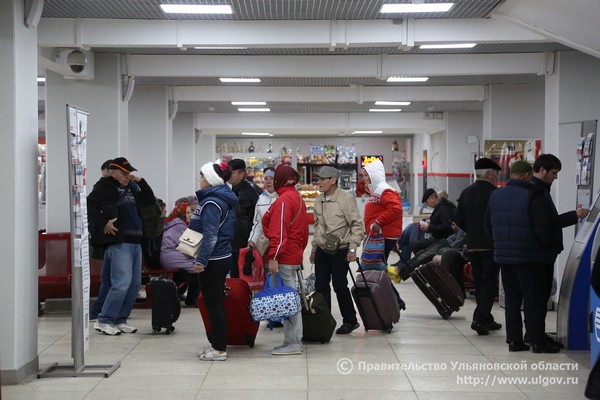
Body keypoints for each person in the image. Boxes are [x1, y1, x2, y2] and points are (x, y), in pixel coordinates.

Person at [486, 160, 559, 353]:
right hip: (530, 258)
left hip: (504, 258)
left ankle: (514, 340)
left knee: (512, 300)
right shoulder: (533, 195)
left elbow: (487, 226)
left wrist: (501, 244)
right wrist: (546, 248)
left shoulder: (496, 195)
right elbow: (543, 229)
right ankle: (536, 341)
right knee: (533, 300)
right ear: (527, 175)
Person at [87, 157, 156, 335]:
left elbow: (149, 200)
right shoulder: (104, 187)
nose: (128, 176)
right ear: (114, 172)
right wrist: (103, 223)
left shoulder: (132, 187)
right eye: (125, 173)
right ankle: (104, 319)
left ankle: (121, 319)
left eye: (129, 173)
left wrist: (140, 181)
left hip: (136, 242)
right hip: (120, 242)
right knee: (121, 283)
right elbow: (89, 205)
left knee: (134, 285)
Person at [530, 153, 589, 347]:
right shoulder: (537, 192)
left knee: (541, 295)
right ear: (542, 170)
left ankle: (536, 334)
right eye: (554, 173)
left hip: (544, 252)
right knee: (539, 296)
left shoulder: (541, 190)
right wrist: (574, 215)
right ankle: (536, 337)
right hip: (541, 253)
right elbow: (548, 223)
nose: (555, 177)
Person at [309, 166, 364, 335]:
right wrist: (313, 248)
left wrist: (353, 248)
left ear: (333, 180)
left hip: (341, 250)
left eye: (323, 179)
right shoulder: (318, 201)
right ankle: (325, 320)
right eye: (318, 179)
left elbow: (357, 225)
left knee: (340, 285)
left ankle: (350, 320)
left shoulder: (346, 199)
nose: (319, 182)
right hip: (322, 250)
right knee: (321, 286)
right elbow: (317, 227)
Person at [192, 162, 237, 361]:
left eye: (202, 176)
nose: (199, 180)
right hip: (222, 255)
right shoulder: (220, 199)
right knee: (215, 303)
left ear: (209, 180)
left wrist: (201, 259)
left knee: (213, 304)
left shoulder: (212, 203)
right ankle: (218, 344)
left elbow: (210, 235)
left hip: (213, 258)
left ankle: (219, 349)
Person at [262, 165, 309, 355]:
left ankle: (293, 343)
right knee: (290, 298)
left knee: (286, 299)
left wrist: (273, 256)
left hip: (283, 257)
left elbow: (279, 233)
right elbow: (304, 233)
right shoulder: (296, 198)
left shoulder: (283, 200)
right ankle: (292, 340)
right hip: (293, 254)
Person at [454, 157, 503, 336]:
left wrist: (472, 231)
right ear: (489, 173)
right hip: (491, 244)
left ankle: (487, 318)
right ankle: (480, 318)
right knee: (490, 282)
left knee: (481, 281)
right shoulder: (496, 193)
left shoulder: (466, 192)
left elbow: (458, 218)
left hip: (473, 245)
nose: (496, 177)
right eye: (496, 174)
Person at [362, 159, 405, 310]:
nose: (364, 178)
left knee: (378, 270)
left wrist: (378, 222)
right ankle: (394, 300)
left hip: (383, 237)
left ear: (374, 175)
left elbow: (395, 209)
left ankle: (395, 301)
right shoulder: (377, 190)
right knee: (379, 269)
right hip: (380, 237)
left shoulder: (384, 190)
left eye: (367, 175)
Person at [159, 201, 200, 307]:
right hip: (173, 257)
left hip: (169, 257)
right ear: (181, 214)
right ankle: (193, 299)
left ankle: (185, 295)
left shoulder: (174, 223)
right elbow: (189, 247)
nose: (190, 215)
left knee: (193, 269)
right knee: (199, 268)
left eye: (190, 212)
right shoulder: (179, 226)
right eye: (187, 213)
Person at [228, 159, 262, 278]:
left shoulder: (249, 191)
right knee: (237, 280)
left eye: (232, 172)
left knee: (244, 280)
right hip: (235, 243)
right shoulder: (234, 190)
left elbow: (260, 216)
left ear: (242, 174)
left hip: (246, 244)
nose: (228, 175)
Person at [90, 158, 115, 320]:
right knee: (109, 279)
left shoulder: (107, 187)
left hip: (105, 240)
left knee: (108, 278)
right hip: (107, 239)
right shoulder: (103, 186)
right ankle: (99, 311)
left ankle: (98, 310)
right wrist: (104, 223)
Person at [412, 188, 456, 254]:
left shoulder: (444, 208)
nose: (427, 204)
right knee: (414, 242)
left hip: (443, 239)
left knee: (416, 245)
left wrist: (429, 227)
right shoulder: (439, 207)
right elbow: (438, 221)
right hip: (438, 236)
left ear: (432, 198)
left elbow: (446, 227)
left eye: (427, 202)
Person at [248, 167, 278, 253]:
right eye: (266, 178)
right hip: (264, 245)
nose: (268, 181)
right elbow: (257, 223)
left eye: (272, 178)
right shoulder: (260, 200)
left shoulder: (282, 198)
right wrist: (252, 240)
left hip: (281, 244)